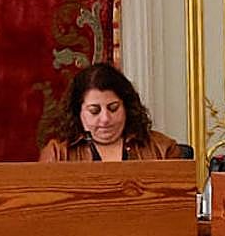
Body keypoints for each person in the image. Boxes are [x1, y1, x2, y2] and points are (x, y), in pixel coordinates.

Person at [39, 64, 182, 162]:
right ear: (77, 112)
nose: (105, 119)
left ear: (127, 107)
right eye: (94, 111)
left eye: (113, 108)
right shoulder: (57, 154)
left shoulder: (163, 149)